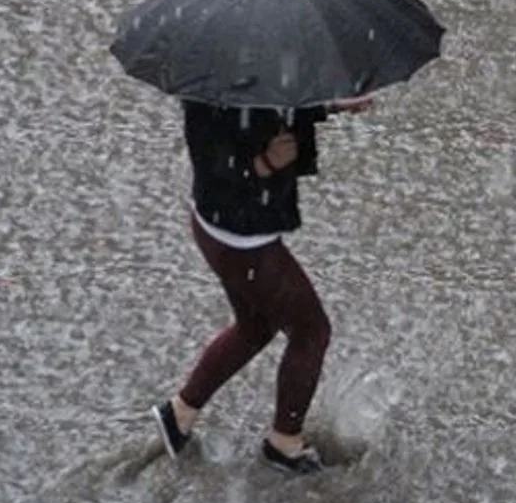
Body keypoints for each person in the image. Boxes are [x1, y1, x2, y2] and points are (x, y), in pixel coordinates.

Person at [150, 93, 375, 475]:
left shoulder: (247, 76)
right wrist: (265, 163)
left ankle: (180, 412)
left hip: (220, 228)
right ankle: (284, 443)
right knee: (311, 331)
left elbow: (273, 106)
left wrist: (330, 105)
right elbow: (215, 161)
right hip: (243, 241)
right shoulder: (213, 93)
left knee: (256, 327)